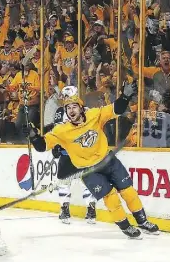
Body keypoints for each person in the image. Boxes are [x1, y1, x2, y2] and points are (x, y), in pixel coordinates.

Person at [28, 83, 159, 239]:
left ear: (81, 108)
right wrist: (34, 137)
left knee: (128, 192)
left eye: (74, 107)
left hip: (108, 160)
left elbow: (115, 110)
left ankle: (142, 221)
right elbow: (42, 146)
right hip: (89, 171)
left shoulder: (94, 115)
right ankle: (126, 226)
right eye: (68, 108)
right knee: (111, 197)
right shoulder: (61, 131)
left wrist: (125, 96)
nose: (71, 111)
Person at [45, 86, 97, 225]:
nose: (64, 98)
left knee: (67, 182)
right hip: (76, 153)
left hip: (75, 153)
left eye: (66, 95)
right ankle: (85, 209)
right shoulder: (82, 111)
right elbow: (56, 132)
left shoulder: (79, 111)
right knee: (77, 181)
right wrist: (55, 146)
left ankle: (69, 209)